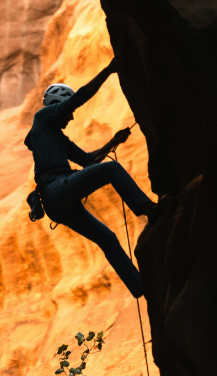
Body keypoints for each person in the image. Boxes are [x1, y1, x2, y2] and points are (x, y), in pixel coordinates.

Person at [23, 56, 159, 299]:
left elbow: (87, 160)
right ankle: (148, 209)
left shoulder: (55, 137)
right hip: (55, 189)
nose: (72, 117)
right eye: (68, 110)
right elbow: (79, 98)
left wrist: (114, 142)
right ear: (57, 105)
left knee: (107, 238)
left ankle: (141, 289)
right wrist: (108, 71)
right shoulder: (42, 118)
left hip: (57, 200)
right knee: (111, 169)